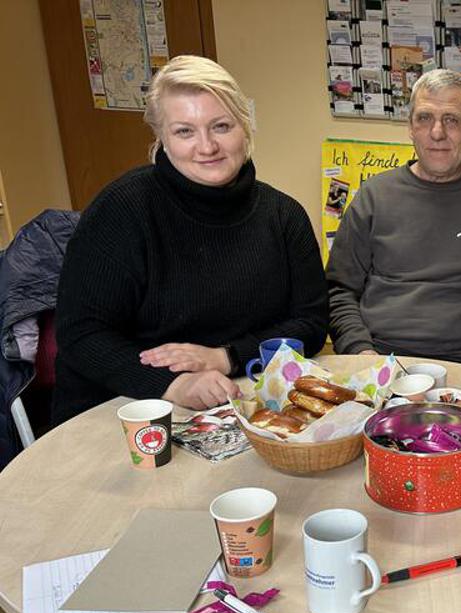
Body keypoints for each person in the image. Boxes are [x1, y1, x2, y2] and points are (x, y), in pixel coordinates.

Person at [53, 55, 327, 423]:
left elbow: (309, 325)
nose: (207, 146)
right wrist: (173, 385)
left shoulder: (283, 216)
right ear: (161, 138)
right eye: (185, 131)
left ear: (245, 126)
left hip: (241, 402)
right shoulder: (122, 210)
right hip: (128, 409)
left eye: (221, 126)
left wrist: (225, 356)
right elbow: (80, 335)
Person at [326, 69, 461, 369]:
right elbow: (339, 291)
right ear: (410, 127)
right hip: (383, 361)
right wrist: (361, 353)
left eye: (451, 120)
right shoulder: (373, 197)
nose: (437, 132)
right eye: (424, 118)